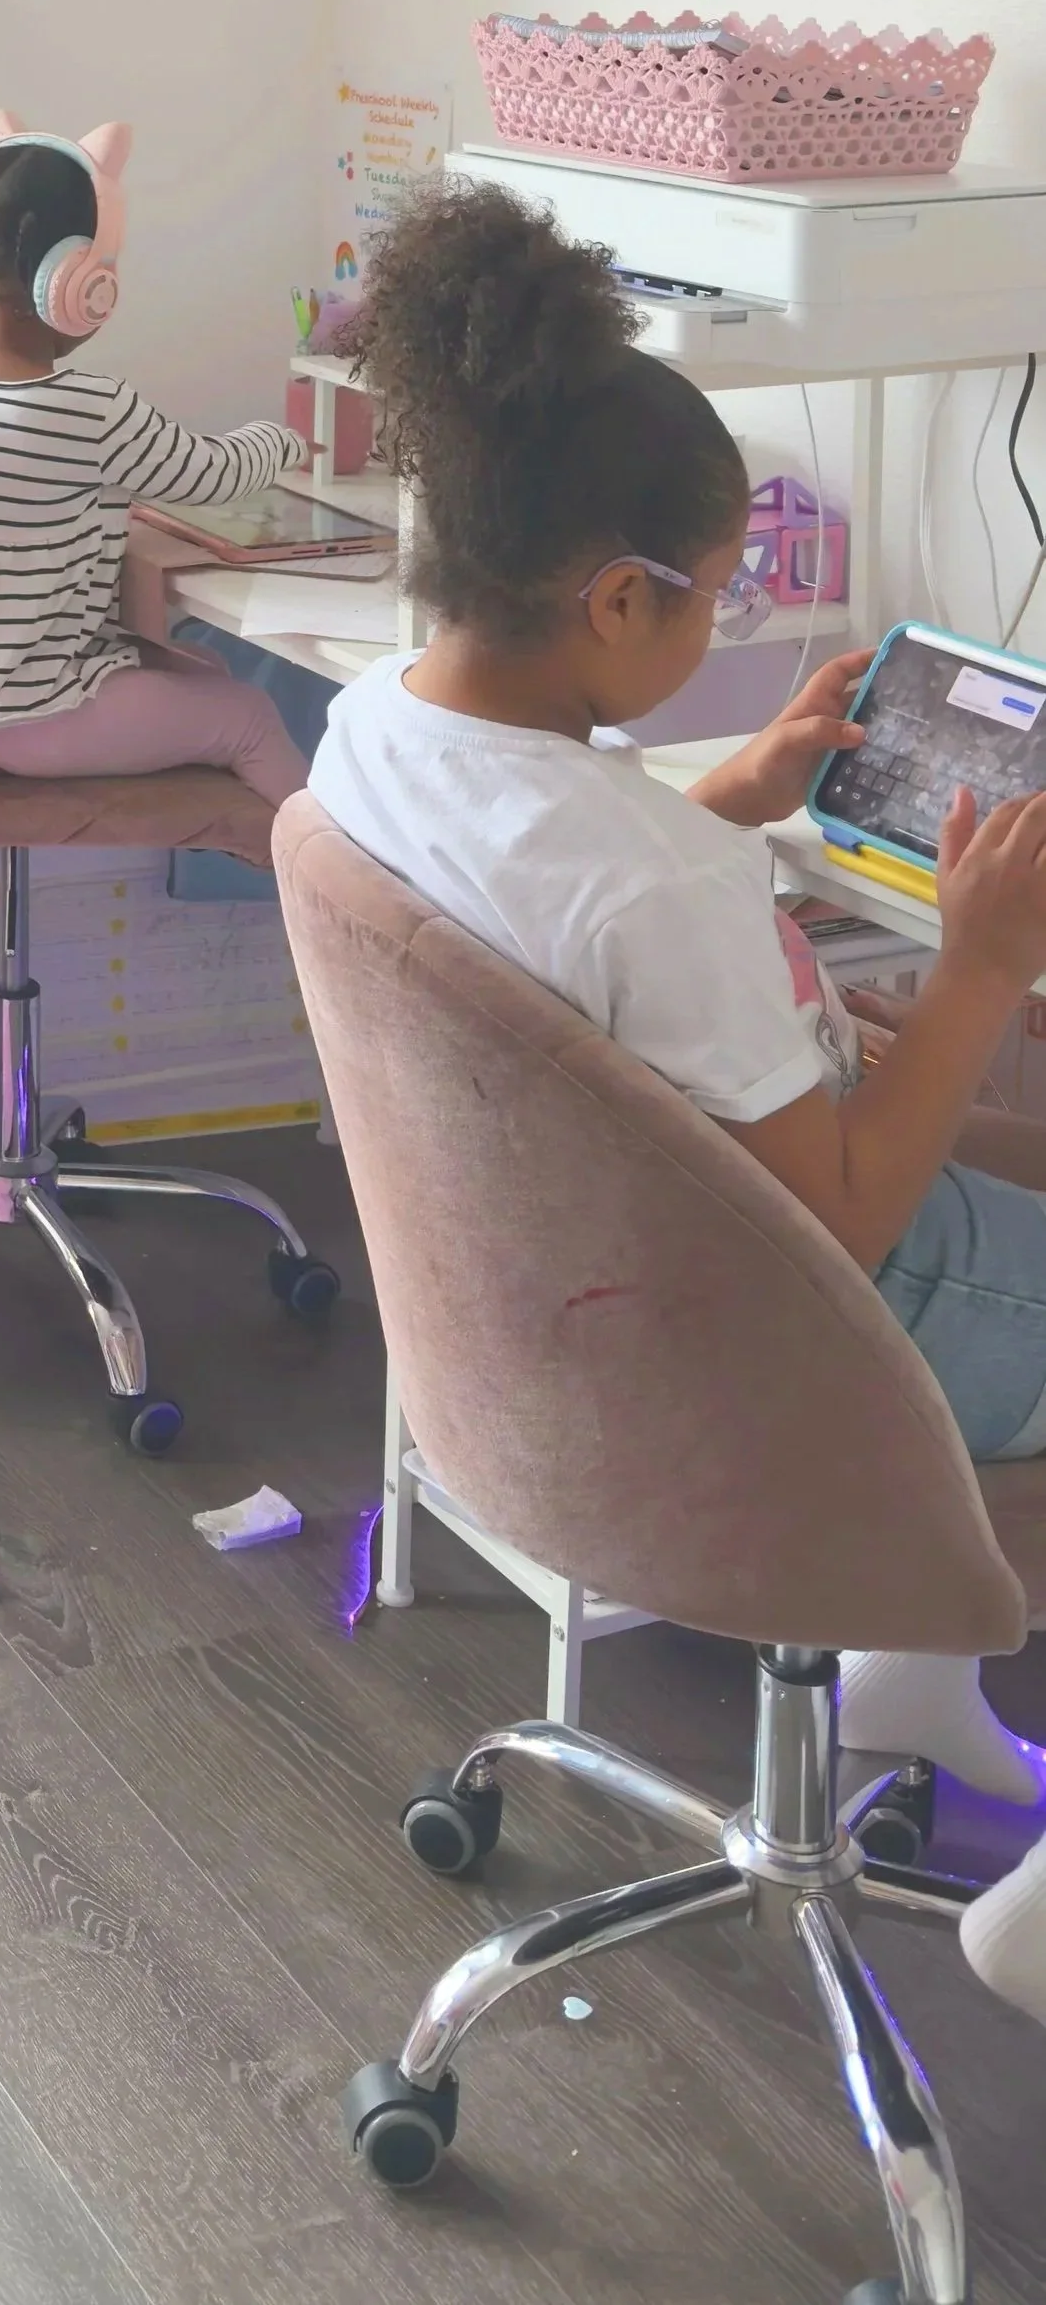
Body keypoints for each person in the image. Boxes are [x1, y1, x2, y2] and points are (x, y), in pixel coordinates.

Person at [312, 174, 1046, 2022]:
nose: (721, 625)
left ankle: (899, 1680)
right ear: (619, 594)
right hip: (796, 1344)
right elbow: (854, 1220)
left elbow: (557, 930)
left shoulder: (383, 734)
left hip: (553, 1329)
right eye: (711, 596)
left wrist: (733, 792)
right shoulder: (654, 882)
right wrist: (979, 964)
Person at [0, 118, 306, 806]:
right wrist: (291, 439)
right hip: (31, 713)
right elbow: (211, 474)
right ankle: (328, 877)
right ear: (76, 282)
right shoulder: (89, 407)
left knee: (201, 667)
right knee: (251, 720)